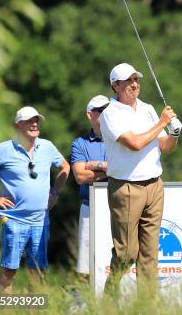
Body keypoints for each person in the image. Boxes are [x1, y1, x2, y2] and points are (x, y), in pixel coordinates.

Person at [100, 63, 181, 295]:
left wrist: (174, 133)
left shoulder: (147, 109)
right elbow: (134, 144)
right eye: (128, 81)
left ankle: (145, 305)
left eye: (136, 80)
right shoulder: (110, 114)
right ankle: (110, 295)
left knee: (150, 254)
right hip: (126, 187)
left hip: (154, 184)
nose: (134, 84)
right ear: (115, 85)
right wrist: (163, 123)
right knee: (126, 253)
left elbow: (165, 147)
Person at [0, 106, 70, 292]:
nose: (34, 123)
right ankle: (2, 311)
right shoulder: (3, 149)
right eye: (29, 120)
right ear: (17, 125)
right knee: (8, 272)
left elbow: (64, 167)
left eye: (36, 120)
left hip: (40, 220)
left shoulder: (47, 147)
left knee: (38, 273)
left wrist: (54, 193)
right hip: (13, 220)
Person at [70, 95, 110, 279]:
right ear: (90, 115)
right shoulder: (80, 143)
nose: (107, 114)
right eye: (101, 111)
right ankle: (85, 304)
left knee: (120, 261)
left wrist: (96, 165)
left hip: (119, 205)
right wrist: (110, 168)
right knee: (85, 267)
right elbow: (79, 176)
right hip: (90, 207)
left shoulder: (120, 138)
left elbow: (127, 168)